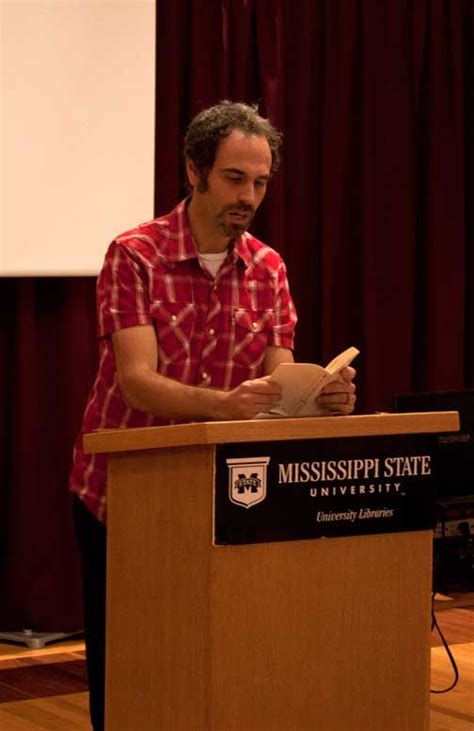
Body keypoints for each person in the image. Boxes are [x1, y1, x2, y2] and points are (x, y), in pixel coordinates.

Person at [70, 100, 356, 731]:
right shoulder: (135, 255)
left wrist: (321, 396)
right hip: (125, 493)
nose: (248, 196)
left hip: (225, 495)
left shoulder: (270, 266)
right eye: (234, 178)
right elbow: (139, 384)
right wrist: (224, 406)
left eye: (259, 182)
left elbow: (279, 391)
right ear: (194, 169)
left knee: (214, 656)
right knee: (129, 669)